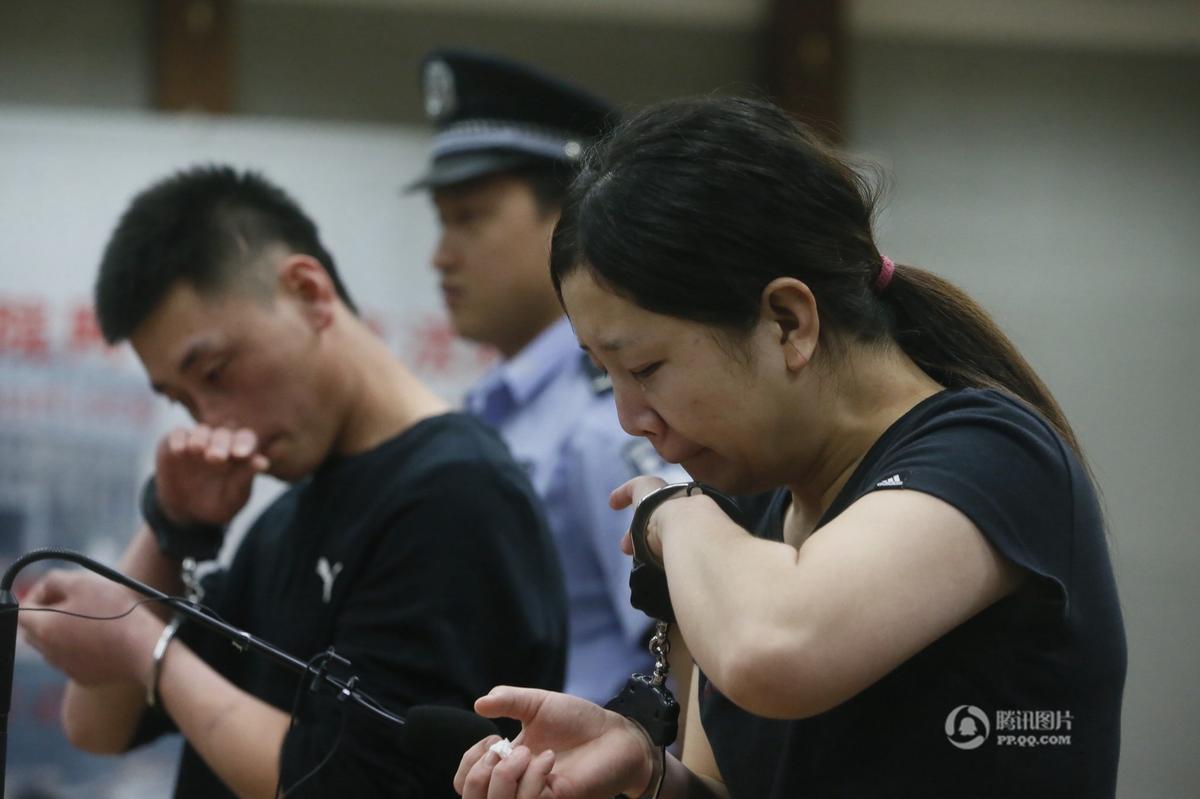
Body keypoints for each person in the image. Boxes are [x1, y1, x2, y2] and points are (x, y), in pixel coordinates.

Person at [451, 96, 1127, 798]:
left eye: (646, 368)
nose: (629, 418)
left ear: (787, 321)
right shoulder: (748, 509)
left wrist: (674, 511)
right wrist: (645, 775)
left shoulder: (988, 457)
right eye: (604, 372)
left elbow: (774, 651)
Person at [18, 166, 568, 798]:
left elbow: (351, 782)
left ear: (308, 292)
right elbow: (97, 725)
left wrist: (149, 650)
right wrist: (172, 529)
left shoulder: (457, 496)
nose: (211, 420)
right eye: (182, 400)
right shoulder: (287, 518)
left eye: (216, 373)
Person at [410, 49, 685, 705]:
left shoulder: (606, 414)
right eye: (441, 221)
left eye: (469, 218)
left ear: (570, 216)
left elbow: (680, 647)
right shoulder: (499, 406)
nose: (441, 256)